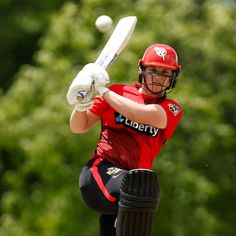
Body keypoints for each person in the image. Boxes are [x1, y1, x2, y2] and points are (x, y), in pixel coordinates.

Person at [66, 44, 182, 236]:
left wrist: (103, 91)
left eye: (165, 72)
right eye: (153, 70)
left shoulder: (171, 109)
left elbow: (141, 114)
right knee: (138, 186)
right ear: (142, 69)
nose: (158, 76)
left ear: (173, 77)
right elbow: (78, 126)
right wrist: (80, 104)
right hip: (100, 173)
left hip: (131, 196)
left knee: (143, 190)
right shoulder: (117, 92)